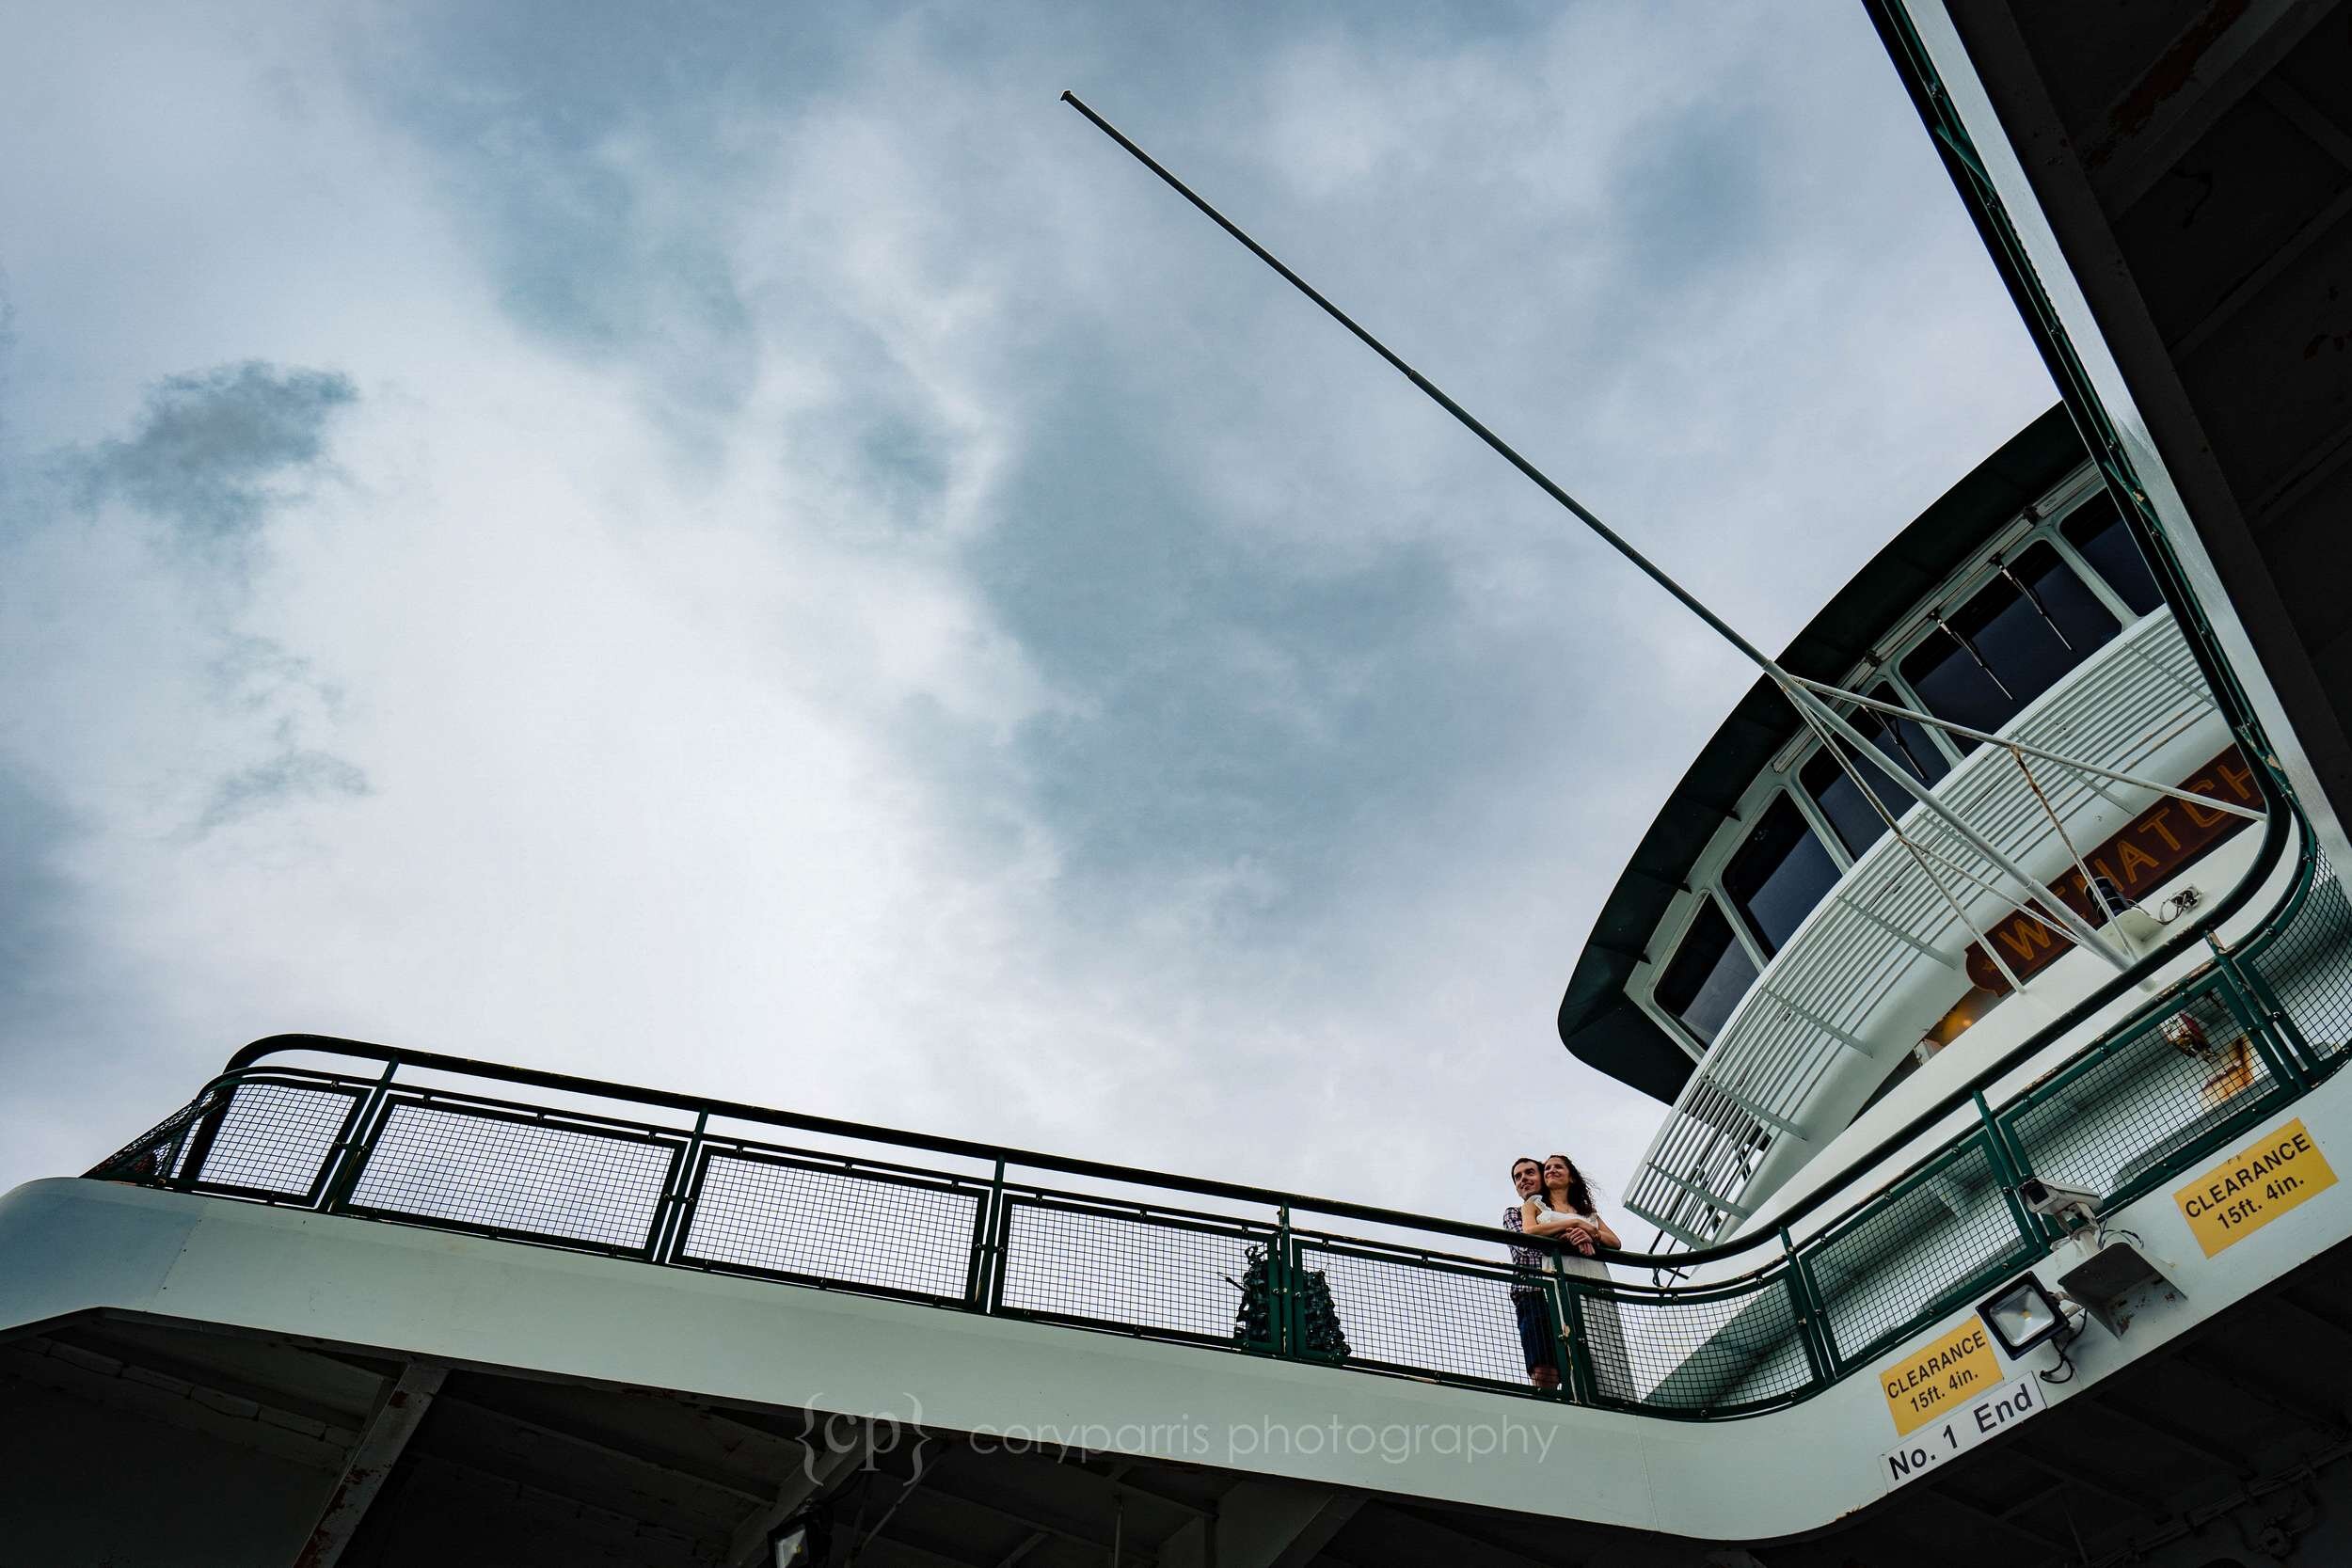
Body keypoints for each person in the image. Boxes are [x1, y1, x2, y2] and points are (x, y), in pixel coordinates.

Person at [1522, 1151, 1630, 1401]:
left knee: (1605, 1335)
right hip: (1561, 1271)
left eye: (1558, 1167)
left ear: (1571, 1177)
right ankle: (1581, 1397)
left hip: (1593, 1272)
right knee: (1571, 1333)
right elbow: (1530, 1231)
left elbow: (1615, 1241)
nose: (1551, 1171)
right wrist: (1574, 1226)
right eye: (1547, 1168)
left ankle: (1619, 1399)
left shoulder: (1587, 1211)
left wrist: (1589, 1233)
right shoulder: (1535, 1204)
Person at [1501, 1157, 1562, 1389]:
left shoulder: (1562, 1212)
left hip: (1563, 1291)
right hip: (1533, 1294)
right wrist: (1566, 1235)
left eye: (1529, 1173)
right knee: (1544, 1368)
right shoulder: (1513, 1213)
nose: (1523, 1179)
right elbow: (1528, 1246)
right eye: (1518, 1177)